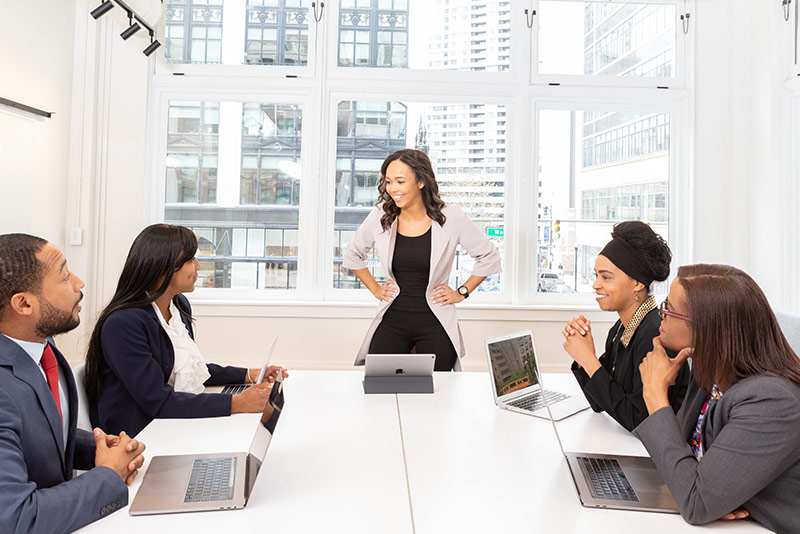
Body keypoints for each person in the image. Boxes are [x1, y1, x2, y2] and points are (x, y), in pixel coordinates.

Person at [636, 264, 800, 531]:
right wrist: (709, 494)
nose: (660, 314)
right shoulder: (709, 373)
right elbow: (680, 460)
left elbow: (696, 503)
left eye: (669, 308)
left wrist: (654, 394)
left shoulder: (773, 401)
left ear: (706, 329)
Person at [0, 233, 145, 533]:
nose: (79, 283)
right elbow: (18, 520)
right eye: (64, 276)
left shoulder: (40, 345)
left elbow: (41, 433)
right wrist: (108, 474)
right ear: (24, 304)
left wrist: (100, 447)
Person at [85, 224, 286, 437]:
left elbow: (189, 370)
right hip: (140, 433)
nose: (198, 266)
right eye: (190, 260)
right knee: (257, 415)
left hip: (169, 418)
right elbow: (157, 401)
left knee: (262, 411)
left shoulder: (178, 305)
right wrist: (237, 402)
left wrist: (247, 375)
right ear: (163, 268)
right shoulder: (123, 324)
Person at [343, 149, 502, 371]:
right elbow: (352, 254)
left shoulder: (451, 217)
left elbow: (488, 256)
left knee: (437, 392)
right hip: (393, 318)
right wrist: (376, 290)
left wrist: (461, 292)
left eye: (400, 181)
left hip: (435, 321)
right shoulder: (381, 215)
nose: (393, 189)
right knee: (380, 386)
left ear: (420, 181)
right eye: (389, 182)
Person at [561, 221, 691, 431]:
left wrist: (588, 359)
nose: (595, 284)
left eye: (606, 277)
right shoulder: (622, 329)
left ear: (638, 283)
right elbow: (600, 402)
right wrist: (583, 356)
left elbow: (640, 422)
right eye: (596, 275)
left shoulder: (654, 335)